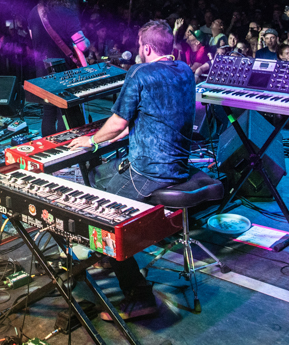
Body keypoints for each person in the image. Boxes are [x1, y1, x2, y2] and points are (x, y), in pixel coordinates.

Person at [66, 20, 196, 321]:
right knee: (102, 175)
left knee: (97, 202)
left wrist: (90, 140)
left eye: (140, 47)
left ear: (146, 48)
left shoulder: (140, 72)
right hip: (178, 165)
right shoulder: (185, 70)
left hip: (150, 171)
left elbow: (116, 123)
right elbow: (158, 111)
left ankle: (139, 295)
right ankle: (104, 257)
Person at [28, 0, 90, 136]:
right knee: (66, 112)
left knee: (48, 112)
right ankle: (64, 153)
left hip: (43, 69)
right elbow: (82, 45)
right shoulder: (67, 14)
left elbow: (33, 39)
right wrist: (88, 42)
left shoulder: (35, 11)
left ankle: (48, 152)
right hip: (64, 70)